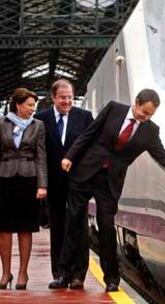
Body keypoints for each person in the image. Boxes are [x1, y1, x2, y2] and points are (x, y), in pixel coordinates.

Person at [49, 88, 165, 292]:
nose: (145, 117)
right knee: (73, 223)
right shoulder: (114, 109)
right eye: (144, 112)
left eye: (150, 115)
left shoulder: (150, 131)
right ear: (136, 103)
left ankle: (112, 279)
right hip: (85, 172)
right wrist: (70, 156)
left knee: (107, 228)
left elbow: (162, 157)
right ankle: (64, 274)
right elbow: (89, 134)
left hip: (110, 182)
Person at [34, 79, 93, 280]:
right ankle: (59, 272)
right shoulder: (41, 119)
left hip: (78, 181)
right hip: (53, 182)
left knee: (79, 226)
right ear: (53, 98)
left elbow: (91, 147)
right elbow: (38, 152)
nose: (67, 101)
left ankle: (79, 274)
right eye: (62, 97)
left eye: (70, 97)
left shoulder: (84, 117)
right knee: (57, 226)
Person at [0, 88, 47, 290]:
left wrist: (42, 185)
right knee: (3, 228)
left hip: (29, 179)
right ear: (18, 105)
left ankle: (22, 273)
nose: (32, 109)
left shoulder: (38, 126)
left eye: (33, 106)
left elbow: (41, 156)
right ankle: (5, 273)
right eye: (29, 105)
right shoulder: (2, 124)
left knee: (25, 228)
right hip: (4, 177)